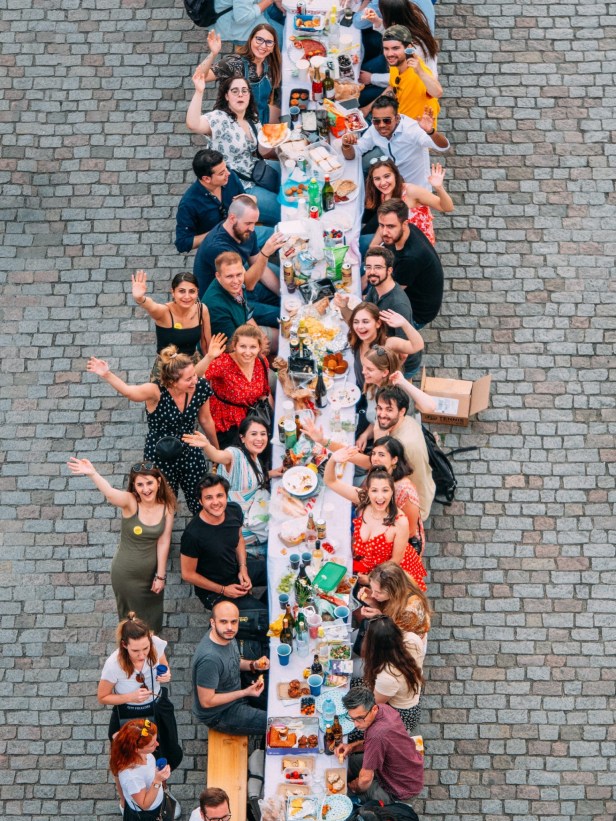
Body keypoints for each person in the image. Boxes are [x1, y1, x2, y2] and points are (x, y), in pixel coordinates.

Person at [86, 345, 217, 515]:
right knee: (162, 502)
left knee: (200, 496)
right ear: (172, 382)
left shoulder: (200, 387)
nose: (195, 380)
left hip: (190, 449)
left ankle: (204, 527)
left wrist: (215, 451)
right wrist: (107, 374)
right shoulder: (156, 392)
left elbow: (206, 420)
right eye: (188, 379)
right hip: (160, 453)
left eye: (194, 375)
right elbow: (129, 392)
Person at [66, 460, 175, 633]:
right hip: (126, 575)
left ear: (159, 482)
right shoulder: (131, 502)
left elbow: (164, 540)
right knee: (132, 624)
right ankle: (129, 650)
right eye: (140, 485)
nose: (146, 489)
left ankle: (151, 650)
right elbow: (110, 494)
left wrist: (160, 576)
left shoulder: (167, 507)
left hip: (150, 577)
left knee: (153, 621)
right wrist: (93, 474)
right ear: (134, 486)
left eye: (149, 483)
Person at [186, 74, 281, 227]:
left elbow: (262, 149)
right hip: (240, 186)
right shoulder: (220, 119)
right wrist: (199, 91)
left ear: (249, 95)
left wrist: (281, 144)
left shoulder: (251, 117)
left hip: (256, 170)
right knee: (282, 210)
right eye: (235, 91)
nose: (240, 94)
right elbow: (193, 124)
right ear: (227, 96)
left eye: (244, 90)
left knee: (292, 173)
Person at [184, 415, 281, 556]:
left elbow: (251, 480)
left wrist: (271, 473)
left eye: (263, 434)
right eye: (253, 434)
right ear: (242, 438)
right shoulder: (235, 454)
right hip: (239, 523)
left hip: (253, 511)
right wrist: (207, 446)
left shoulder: (253, 455)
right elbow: (218, 456)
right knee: (277, 531)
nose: (259, 439)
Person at [324, 455, 426, 590]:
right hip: (365, 566)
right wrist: (333, 459)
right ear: (368, 491)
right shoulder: (363, 499)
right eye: (374, 490)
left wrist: (370, 579)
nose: (380, 497)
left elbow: (395, 562)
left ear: (392, 492)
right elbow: (331, 481)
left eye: (385, 490)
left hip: (389, 575)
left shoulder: (400, 522)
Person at [180, 473, 268, 614]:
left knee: (278, 571)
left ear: (226, 496)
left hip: (236, 570)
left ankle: (260, 602)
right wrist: (224, 590)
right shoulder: (192, 535)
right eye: (209, 497)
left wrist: (243, 568)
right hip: (215, 591)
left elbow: (239, 539)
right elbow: (187, 574)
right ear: (200, 501)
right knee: (264, 617)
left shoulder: (234, 510)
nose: (215, 502)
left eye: (219, 495)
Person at [194, 195, 286, 329]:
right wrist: (265, 253)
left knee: (289, 300)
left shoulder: (244, 231)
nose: (252, 228)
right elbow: (249, 284)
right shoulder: (219, 248)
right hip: (227, 300)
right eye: (248, 223)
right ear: (232, 218)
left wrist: (282, 292)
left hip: (241, 286)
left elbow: (258, 265)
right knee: (283, 315)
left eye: (254, 223)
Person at [335, 248, 426, 379]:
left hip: (397, 367)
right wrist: (344, 307)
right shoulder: (376, 287)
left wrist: (382, 377)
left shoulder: (398, 305)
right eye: (368, 267)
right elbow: (359, 320)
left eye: (378, 267)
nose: (372, 272)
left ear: (389, 270)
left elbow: (403, 355)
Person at [130, 270, 227, 379]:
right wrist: (140, 298)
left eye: (192, 291)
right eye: (181, 291)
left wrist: (210, 371)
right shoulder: (164, 312)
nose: (187, 296)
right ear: (173, 292)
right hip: (168, 370)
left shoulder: (201, 309)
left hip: (194, 367)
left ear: (197, 292)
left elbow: (206, 346)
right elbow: (152, 306)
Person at [192, 600, 268, 734]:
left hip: (236, 691)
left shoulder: (225, 636)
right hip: (221, 713)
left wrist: (254, 665)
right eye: (223, 622)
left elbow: (233, 662)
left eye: (234, 622)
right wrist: (245, 692)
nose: (229, 627)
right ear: (212, 623)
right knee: (273, 722)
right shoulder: (209, 660)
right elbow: (207, 701)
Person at [336, 687, 424, 802]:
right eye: (352, 719)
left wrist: (355, 788)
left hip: (400, 788)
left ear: (373, 709)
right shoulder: (383, 708)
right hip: (400, 766)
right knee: (352, 762)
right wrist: (351, 747)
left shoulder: (377, 735)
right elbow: (372, 742)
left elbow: (366, 779)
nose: (356, 724)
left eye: (360, 718)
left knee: (346, 796)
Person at [341, 96, 448, 189]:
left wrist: (430, 131)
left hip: (417, 188)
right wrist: (346, 145)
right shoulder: (374, 129)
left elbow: (443, 147)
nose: (381, 125)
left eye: (387, 120)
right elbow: (355, 153)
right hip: (393, 186)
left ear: (397, 118)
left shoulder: (411, 130)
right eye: (376, 121)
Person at [98, 612, 172, 740]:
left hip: (157, 705)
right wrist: (130, 697)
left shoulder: (156, 643)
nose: (142, 655)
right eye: (135, 651)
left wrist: (166, 673)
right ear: (124, 645)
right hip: (130, 712)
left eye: (146, 648)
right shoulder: (113, 664)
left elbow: (163, 663)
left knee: (168, 746)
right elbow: (102, 697)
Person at [377, 198, 445, 328]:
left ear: (404, 224)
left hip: (414, 314)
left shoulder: (411, 257)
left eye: (390, 226)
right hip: (402, 283)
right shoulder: (405, 231)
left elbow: (389, 293)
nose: (384, 232)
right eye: (381, 225)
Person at [195, 27, 282, 125]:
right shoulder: (234, 63)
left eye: (269, 42)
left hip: (261, 116)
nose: (263, 45)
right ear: (251, 40)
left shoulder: (269, 64)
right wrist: (213, 54)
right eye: (259, 39)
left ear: (273, 47)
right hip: (234, 121)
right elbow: (200, 77)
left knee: (288, 119)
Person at [361, 159, 453, 250]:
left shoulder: (411, 191)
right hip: (398, 244)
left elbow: (448, 207)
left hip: (419, 248)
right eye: (377, 179)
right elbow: (384, 224)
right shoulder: (384, 195)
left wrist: (439, 187)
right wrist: (372, 246)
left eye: (387, 176)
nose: (383, 182)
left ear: (395, 175)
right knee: (362, 243)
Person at [205, 324, 271, 449]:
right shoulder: (223, 363)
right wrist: (209, 357)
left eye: (253, 347)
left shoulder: (261, 361)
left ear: (259, 348)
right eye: (243, 346)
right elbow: (194, 378)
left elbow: (264, 394)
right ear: (234, 346)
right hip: (228, 424)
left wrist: (270, 417)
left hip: (253, 415)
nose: (247, 352)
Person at [175, 149, 248, 255]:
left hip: (242, 231)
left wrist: (250, 200)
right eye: (222, 173)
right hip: (219, 250)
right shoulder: (188, 204)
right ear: (206, 179)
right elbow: (182, 243)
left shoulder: (230, 177)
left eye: (226, 168)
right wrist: (219, 232)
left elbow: (244, 200)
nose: (228, 173)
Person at [203, 252, 278, 354]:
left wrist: (260, 335)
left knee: (282, 339)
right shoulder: (216, 307)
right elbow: (231, 348)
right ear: (218, 276)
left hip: (243, 330)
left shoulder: (236, 286)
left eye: (239, 274)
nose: (236, 281)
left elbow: (247, 314)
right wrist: (259, 346)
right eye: (229, 276)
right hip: (232, 350)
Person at [341, 301, 424, 390]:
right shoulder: (357, 338)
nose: (360, 327)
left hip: (378, 392)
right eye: (356, 322)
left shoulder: (388, 343)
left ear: (378, 323)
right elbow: (349, 318)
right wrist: (343, 307)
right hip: (361, 385)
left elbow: (418, 345)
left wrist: (404, 324)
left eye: (365, 322)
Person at [360, 23, 441, 114]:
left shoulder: (418, 71)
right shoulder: (396, 63)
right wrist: (367, 108)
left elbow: (437, 93)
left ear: (408, 47)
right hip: (398, 116)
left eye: (395, 48)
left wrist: (420, 72)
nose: (390, 54)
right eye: (386, 49)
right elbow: (392, 88)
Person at [362, 615, 423, 735]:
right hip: (409, 692)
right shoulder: (413, 639)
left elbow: (375, 703)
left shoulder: (387, 676)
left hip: (401, 714)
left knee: (356, 728)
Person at [109, 719, 173, 817]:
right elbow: (144, 805)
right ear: (136, 749)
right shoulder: (131, 776)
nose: (157, 744)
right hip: (149, 814)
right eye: (152, 744)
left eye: (156, 740)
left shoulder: (136, 750)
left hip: (158, 802)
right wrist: (157, 780)